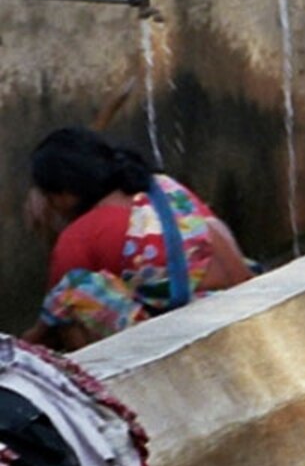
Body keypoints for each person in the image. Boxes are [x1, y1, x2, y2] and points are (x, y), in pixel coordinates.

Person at [25, 126, 251, 347]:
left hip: (188, 328)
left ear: (63, 195)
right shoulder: (164, 186)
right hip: (236, 305)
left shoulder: (79, 235)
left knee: (71, 294)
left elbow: (49, 328)